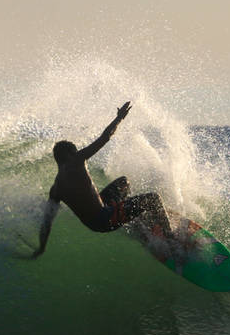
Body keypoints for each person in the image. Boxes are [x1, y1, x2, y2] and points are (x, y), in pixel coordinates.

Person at [31, 101, 171, 259]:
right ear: (70, 154)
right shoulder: (75, 161)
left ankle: (135, 219)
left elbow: (47, 222)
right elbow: (105, 137)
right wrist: (119, 118)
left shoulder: (55, 189)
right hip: (106, 218)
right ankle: (171, 239)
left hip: (96, 220)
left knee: (123, 182)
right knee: (153, 198)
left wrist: (41, 248)